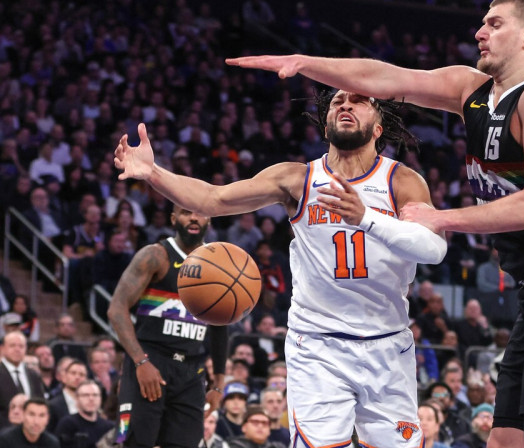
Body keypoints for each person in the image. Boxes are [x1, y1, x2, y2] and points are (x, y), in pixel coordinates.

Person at [225, 1, 524, 446]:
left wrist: (441, 217)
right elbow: (386, 77)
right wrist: (308, 64)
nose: (480, 32)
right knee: (504, 440)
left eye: (494, 24)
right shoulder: (470, 89)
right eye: (481, 23)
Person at [114, 86, 447, 447]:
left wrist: (365, 217)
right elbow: (213, 198)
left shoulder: (402, 181)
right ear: (325, 127)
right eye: (337, 101)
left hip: (387, 342)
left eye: (359, 101)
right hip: (318, 345)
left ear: (379, 128)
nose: (346, 105)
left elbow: (433, 249)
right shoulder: (298, 179)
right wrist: (153, 173)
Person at [106, 204, 228, 448]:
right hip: (150, 363)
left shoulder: (219, 264)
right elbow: (116, 310)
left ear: (209, 220)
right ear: (174, 218)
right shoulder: (155, 255)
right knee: (134, 443)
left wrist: (218, 383)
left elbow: (220, 324)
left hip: (191, 370)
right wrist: (141, 362)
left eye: (200, 212)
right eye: (186, 212)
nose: (194, 217)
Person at [0, 331, 45, 428]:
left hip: (31, 431)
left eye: (21, 346)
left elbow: (40, 402)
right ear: (2, 348)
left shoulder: (34, 375)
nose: (17, 349)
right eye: (12, 345)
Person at [54, 380, 114, 448]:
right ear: (77, 399)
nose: (91, 399)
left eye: (95, 395)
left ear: (100, 399)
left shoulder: (110, 427)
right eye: (86, 395)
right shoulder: (67, 424)